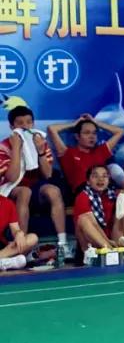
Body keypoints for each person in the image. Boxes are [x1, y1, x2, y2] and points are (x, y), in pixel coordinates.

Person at [48, 114, 124, 256]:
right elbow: (52, 129)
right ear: (77, 137)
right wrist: (74, 124)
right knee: (115, 204)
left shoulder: (100, 152)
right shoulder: (68, 153)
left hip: (107, 193)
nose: (92, 137)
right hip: (85, 194)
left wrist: (95, 122)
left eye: (94, 133)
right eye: (86, 133)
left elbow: (119, 132)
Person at [0, 105, 70, 263]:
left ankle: (63, 243)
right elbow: (11, 177)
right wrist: (16, 149)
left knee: (53, 191)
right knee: (25, 192)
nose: (25, 127)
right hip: (11, 188)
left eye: (29, 122)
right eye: (20, 123)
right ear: (12, 127)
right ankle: (21, 246)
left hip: (35, 186)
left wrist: (40, 151)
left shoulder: (39, 141)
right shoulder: (4, 146)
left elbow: (47, 174)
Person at [72, 165, 124, 264]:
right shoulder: (83, 196)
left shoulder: (112, 193)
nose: (100, 179)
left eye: (104, 176)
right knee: (83, 219)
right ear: (88, 181)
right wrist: (107, 241)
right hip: (93, 242)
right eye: (95, 176)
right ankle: (109, 251)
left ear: (109, 180)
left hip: (114, 238)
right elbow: (94, 224)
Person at [0, 190, 37, 271]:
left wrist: (19, 233)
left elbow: (15, 229)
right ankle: (5, 262)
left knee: (32, 238)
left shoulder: (7, 203)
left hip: (2, 248)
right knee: (21, 259)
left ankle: (2, 260)